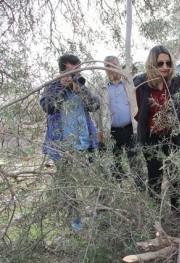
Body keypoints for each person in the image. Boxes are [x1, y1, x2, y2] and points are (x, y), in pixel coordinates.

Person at [40, 54, 100, 229]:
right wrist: (61, 86)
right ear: (61, 71)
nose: (75, 75)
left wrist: (78, 90)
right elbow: (48, 108)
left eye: (77, 71)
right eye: (71, 72)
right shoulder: (51, 87)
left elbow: (94, 105)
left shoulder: (81, 86)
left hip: (86, 143)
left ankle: (101, 215)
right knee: (68, 185)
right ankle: (76, 224)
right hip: (63, 147)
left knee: (97, 178)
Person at [133, 45, 180, 216]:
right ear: (152, 64)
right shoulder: (141, 84)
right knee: (154, 176)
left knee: (175, 175)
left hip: (173, 137)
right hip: (151, 138)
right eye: (160, 63)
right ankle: (154, 213)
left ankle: (176, 211)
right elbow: (138, 113)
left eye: (168, 63)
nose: (165, 67)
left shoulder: (178, 82)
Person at [94, 56, 144, 188]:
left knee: (135, 162)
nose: (111, 69)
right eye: (108, 66)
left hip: (130, 130)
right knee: (115, 165)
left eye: (114, 65)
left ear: (119, 66)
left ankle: (141, 191)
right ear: (105, 70)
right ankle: (119, 194)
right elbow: (98, 111)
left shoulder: (129, 84)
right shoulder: (102, 88)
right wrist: (99, 130)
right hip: (112, 133)